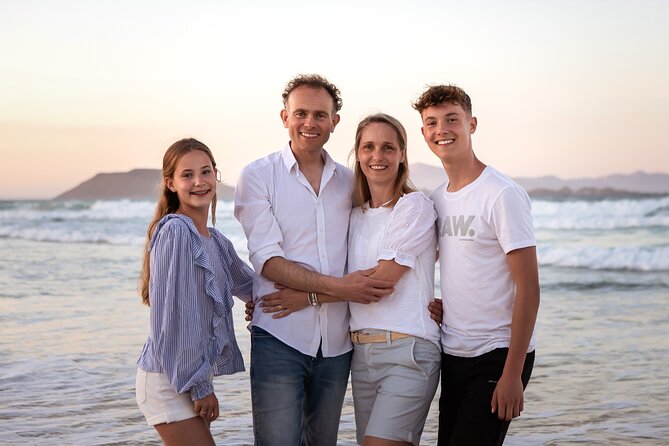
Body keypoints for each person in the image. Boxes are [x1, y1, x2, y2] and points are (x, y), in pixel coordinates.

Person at [262, 113, 442, 446]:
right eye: (369, 147)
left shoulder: (414, 207)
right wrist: (257, 295)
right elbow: (329, 265)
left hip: (408, 351)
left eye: (388, 148)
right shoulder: (355, 215)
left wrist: (306, 297)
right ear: (357, 154)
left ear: (403, 154)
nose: (378, 156)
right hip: (361, 356)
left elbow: (379, 284)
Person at [234, 74, 395, 446]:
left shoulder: (351, 181)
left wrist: (428, 301)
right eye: (301, 113)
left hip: (338, 344)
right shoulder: (258, 176)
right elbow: (268, 262)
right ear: (284, 117)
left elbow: (380, 240)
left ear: (335, 121)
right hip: (278, 335)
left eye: (320, 115)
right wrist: (342, 287)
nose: (310, 123)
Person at [413, 84, 540, 446]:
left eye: (452, 119)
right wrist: (440, 307)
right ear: (424, 133)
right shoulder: (437, 198)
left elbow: (529, 288)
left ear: (472, 124)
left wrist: (512, 374)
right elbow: (453, 268)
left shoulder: (501, 194)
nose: (442, 130)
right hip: (453, 353)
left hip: (497, 355)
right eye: (432, 122)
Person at [136, 138, 254, 446]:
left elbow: (253, 286)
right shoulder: (176, 231)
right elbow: (175, 319)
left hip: (185, 378)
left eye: (205, 172)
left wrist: (310, 292)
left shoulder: (215, 240)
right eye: (187, 175)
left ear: (216, 175)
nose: (199, 182)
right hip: (168, 380)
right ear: (170, 183)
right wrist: (200, 386)